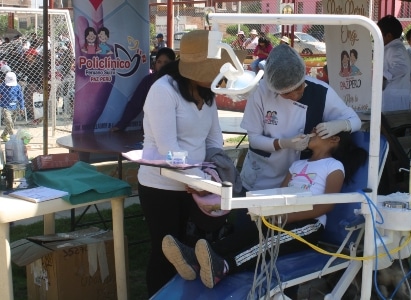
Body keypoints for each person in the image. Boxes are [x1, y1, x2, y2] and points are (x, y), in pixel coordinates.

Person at [161, 129, 368, 288]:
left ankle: (224, 267)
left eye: (319, 131)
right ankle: (195, 259)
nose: (312, 132)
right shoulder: (297, 165)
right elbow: (279, 194)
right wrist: (269, 212)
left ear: (335, 139)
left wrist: (290, 217)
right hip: (282, 218)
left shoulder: (333, 166)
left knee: (267, 243)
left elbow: (326, 204)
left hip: (309, 225)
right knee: (247, 233)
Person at [137, 30, 246, 297]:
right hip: (160, 186)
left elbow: (214, 141)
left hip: (196, 186)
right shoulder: (163, 91)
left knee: (194, 251)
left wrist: (213, 172)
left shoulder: (207, 95)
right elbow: (168, 150)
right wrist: (196, 177)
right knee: (165, 250)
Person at [238, 44, 361, 193]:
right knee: (249, 213)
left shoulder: (321, 92)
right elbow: (254, 139)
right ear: (274, 89)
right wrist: (283, 143)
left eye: (298, 88)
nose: (295, 95)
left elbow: (355, 121)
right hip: (261, 173)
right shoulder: (261, 91)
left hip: (297, 179)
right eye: (286, 94)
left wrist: (341, 124)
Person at [111, 47, 176, 131]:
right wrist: (121, 125)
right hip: (151, 129)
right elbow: (135, 104)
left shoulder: (179, 82)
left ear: (173, 64)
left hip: (174, 128)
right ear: (155, 63)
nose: (162, 65)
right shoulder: (148, 80)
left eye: (166, 62)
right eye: (159, 62)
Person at [377, 15, 411, 112]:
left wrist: (382, 75)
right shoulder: (393, 47)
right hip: (395, 95)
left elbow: (401, 68)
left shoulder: (394, 49)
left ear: (388, 36)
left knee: (391, 125)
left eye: (379, 34)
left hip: (394, 98)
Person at [0, 72, 24, 141]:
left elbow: (20, 98)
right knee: (9, 122)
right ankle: (13, 137)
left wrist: (22, 107)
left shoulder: (17, 86)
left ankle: (4, 135)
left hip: (15, 107)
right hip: (6, 107)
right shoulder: (1, 86)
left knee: (10, 124)